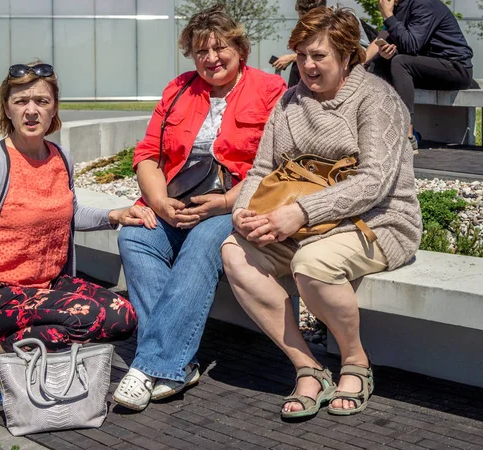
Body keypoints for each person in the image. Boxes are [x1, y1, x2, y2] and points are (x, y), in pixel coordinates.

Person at [221, 6, 422, 419]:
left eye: (319, 56)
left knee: (311, 263)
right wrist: (243, 212)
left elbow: (375, 182)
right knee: (234, 253)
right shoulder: (289, 102)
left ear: (348, 57)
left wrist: (300, 213)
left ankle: (355, 362)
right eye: (302, 54)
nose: (308, 66)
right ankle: (307, 366)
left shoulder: (377, 99)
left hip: (381, 220)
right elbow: (262, 168)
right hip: (304, 223)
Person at [0, 62, 146, 405]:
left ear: (54, 108)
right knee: (85, 316)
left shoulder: (60, 158)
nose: (31, 111)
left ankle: (10, 352)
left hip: (47, 286)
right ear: (7, 108)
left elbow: (69, 212)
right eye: (21, 101)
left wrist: (114, 214)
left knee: (123, 317)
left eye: (42, 102)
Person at [113, 5, 286, 411]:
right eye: (200, 50)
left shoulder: (271, 90)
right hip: (179, 201)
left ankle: (149, 366)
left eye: (220, 47)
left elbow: (280, 165)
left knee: (203, 243)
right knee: (136, 236)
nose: (211, 58)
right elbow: (147, 154)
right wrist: (158, 202)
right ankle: (176, 362)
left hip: (236, 203)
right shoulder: (178, 90)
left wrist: (225, 202)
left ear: (240, 48)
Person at [367, 0, 474, 150]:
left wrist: (388, 15)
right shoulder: (399, 7)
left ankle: (407, 134)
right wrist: (358, 65)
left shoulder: (424, 4)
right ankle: (373, 126)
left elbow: (411, 45)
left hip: (455, 68)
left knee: (400, 62)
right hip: (429, 67)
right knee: (379, 63)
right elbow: (382, 38)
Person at [272, 1, 378, 87]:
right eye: (302, 19)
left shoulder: (340, 23)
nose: (308, 65)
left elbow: (361, 52)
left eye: (319, 55)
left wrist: (291, 57)